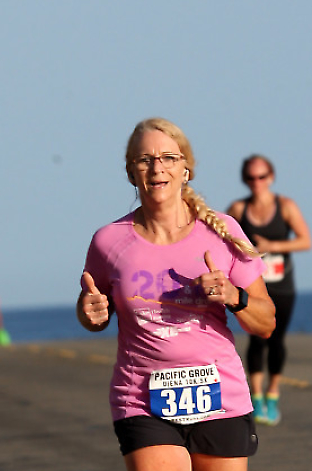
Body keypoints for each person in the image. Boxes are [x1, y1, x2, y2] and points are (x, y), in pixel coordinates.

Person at [77, 118, 276, 471]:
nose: (157, 168)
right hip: (142, 400)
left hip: (220, 397)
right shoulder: (108, 241)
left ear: (186, 169)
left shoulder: (223, 233)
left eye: (168, 157)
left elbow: (266, 323)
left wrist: (234, 296)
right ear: (131, 172)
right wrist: (88, 312)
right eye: (145, 160)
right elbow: (94, 313)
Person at [227, 154, 311, 426]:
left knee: (276, 340)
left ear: (271, 177)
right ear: (245, 179)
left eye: (262, 176)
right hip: (253, 285)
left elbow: (305, 241)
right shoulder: (238, 209)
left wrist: (272, 247)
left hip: (282, 285)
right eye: (251, 177)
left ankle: (272, 394)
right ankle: (256, 396)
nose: (257, 182)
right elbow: (222, 239)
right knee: (256, 338)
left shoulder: (285, 206)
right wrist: (246, 252)